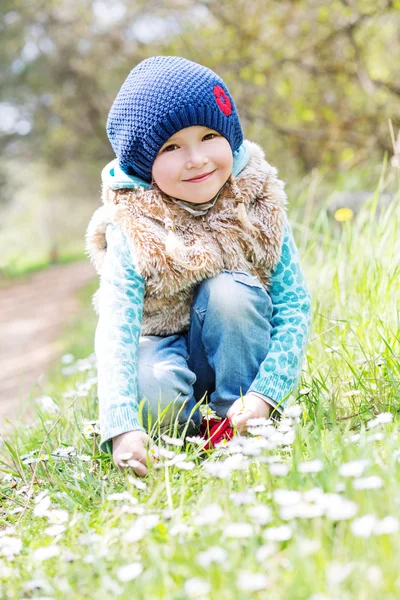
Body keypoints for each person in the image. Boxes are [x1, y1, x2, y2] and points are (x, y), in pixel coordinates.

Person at [85, 56, 312, 477]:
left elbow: (294, 305)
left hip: (237, 346)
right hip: (161, 345)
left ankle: (240, 422)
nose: (196, 159)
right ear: (142, 163)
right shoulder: (133, 222)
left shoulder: (257, 199)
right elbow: (117, 326)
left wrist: (266, 393)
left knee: (231, 293)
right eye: (171, 147)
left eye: (209, 136)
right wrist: (121, 424)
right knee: (155, 393)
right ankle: (184, 433)